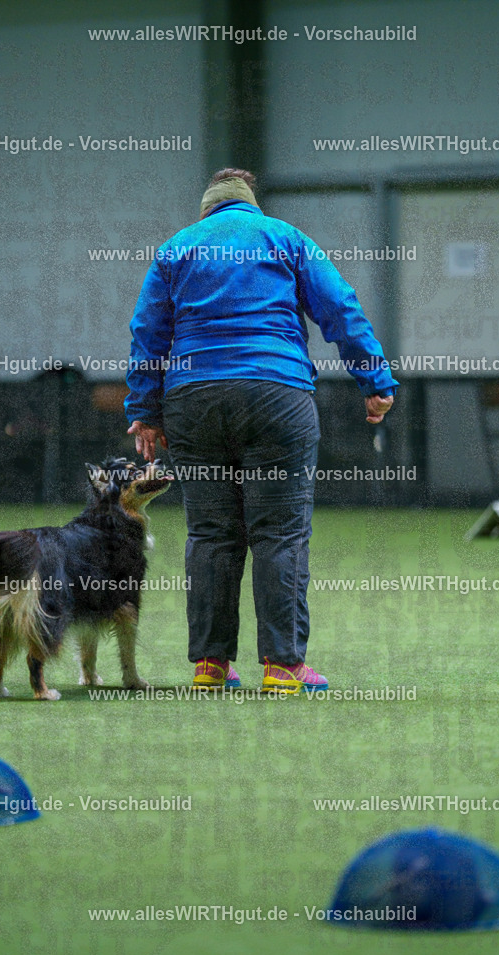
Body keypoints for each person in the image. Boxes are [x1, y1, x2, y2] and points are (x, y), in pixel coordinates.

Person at [125, 169, 397, 693]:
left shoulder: (177, 248)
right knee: (280, 532)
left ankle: (210, 665)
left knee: (211, 534)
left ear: (207, 209)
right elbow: (340, 307)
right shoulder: (285, 237)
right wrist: (374, 379)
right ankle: (282, 666)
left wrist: (145, 409)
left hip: (193, 400)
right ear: (250, 203)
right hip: (276, 394)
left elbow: (147, 333)